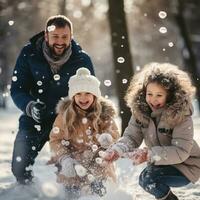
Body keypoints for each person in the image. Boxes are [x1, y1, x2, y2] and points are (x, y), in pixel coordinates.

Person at [10, 15, 95, 185]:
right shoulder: (29, 54)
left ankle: (71, 193)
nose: (60, 41)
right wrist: (30, 106)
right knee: (19, 168)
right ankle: (28, 192)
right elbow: (17, 88)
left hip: (68, 122)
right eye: (55, 36)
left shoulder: (81, 59)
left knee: (73, 169)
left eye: (65, 37)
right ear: (46, 35)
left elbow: (91, 94)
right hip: (34, 119)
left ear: (71, 36)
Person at [104, 62, 200, 200]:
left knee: (149, 179)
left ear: (170, 95)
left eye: (159, 95)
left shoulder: (180, 115)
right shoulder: (141, 112)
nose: (153, 100)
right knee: (145, 179)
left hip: (186, 165)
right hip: (162, 162)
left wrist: (150, 155)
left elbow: (181, 151)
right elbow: (131, 137)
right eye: (150, 94)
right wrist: (118, 149)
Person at [47, 67, 119, 198]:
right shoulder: (65, 116)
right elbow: (55, 140)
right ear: (73, 96)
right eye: (78, 94)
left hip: (98, 160)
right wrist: (65, 158)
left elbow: (114, 133)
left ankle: (100, 190)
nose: (83, 98)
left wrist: (108, 138)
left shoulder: (104, 114)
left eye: (87, 93)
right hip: (73, 162)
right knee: (72, 192)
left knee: (99, 190)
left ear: (95, 95)